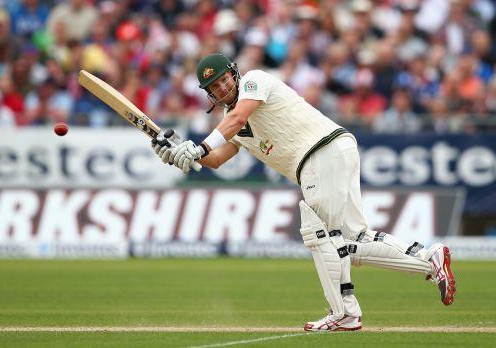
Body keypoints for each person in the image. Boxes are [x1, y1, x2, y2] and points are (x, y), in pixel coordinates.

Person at [151, 53, 456, 332]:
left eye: (223, 80)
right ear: (209, 95)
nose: (221, 89)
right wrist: (180, 153)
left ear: (234, 73)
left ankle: (344, 313)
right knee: (353, 240)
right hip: (332, 153)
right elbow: (215, 159)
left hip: (320, 152)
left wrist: (198, 146)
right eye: (213, 88)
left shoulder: (256, 81)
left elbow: (236, 119)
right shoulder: (232, 127)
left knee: (319, 234)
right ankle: (429, 259)